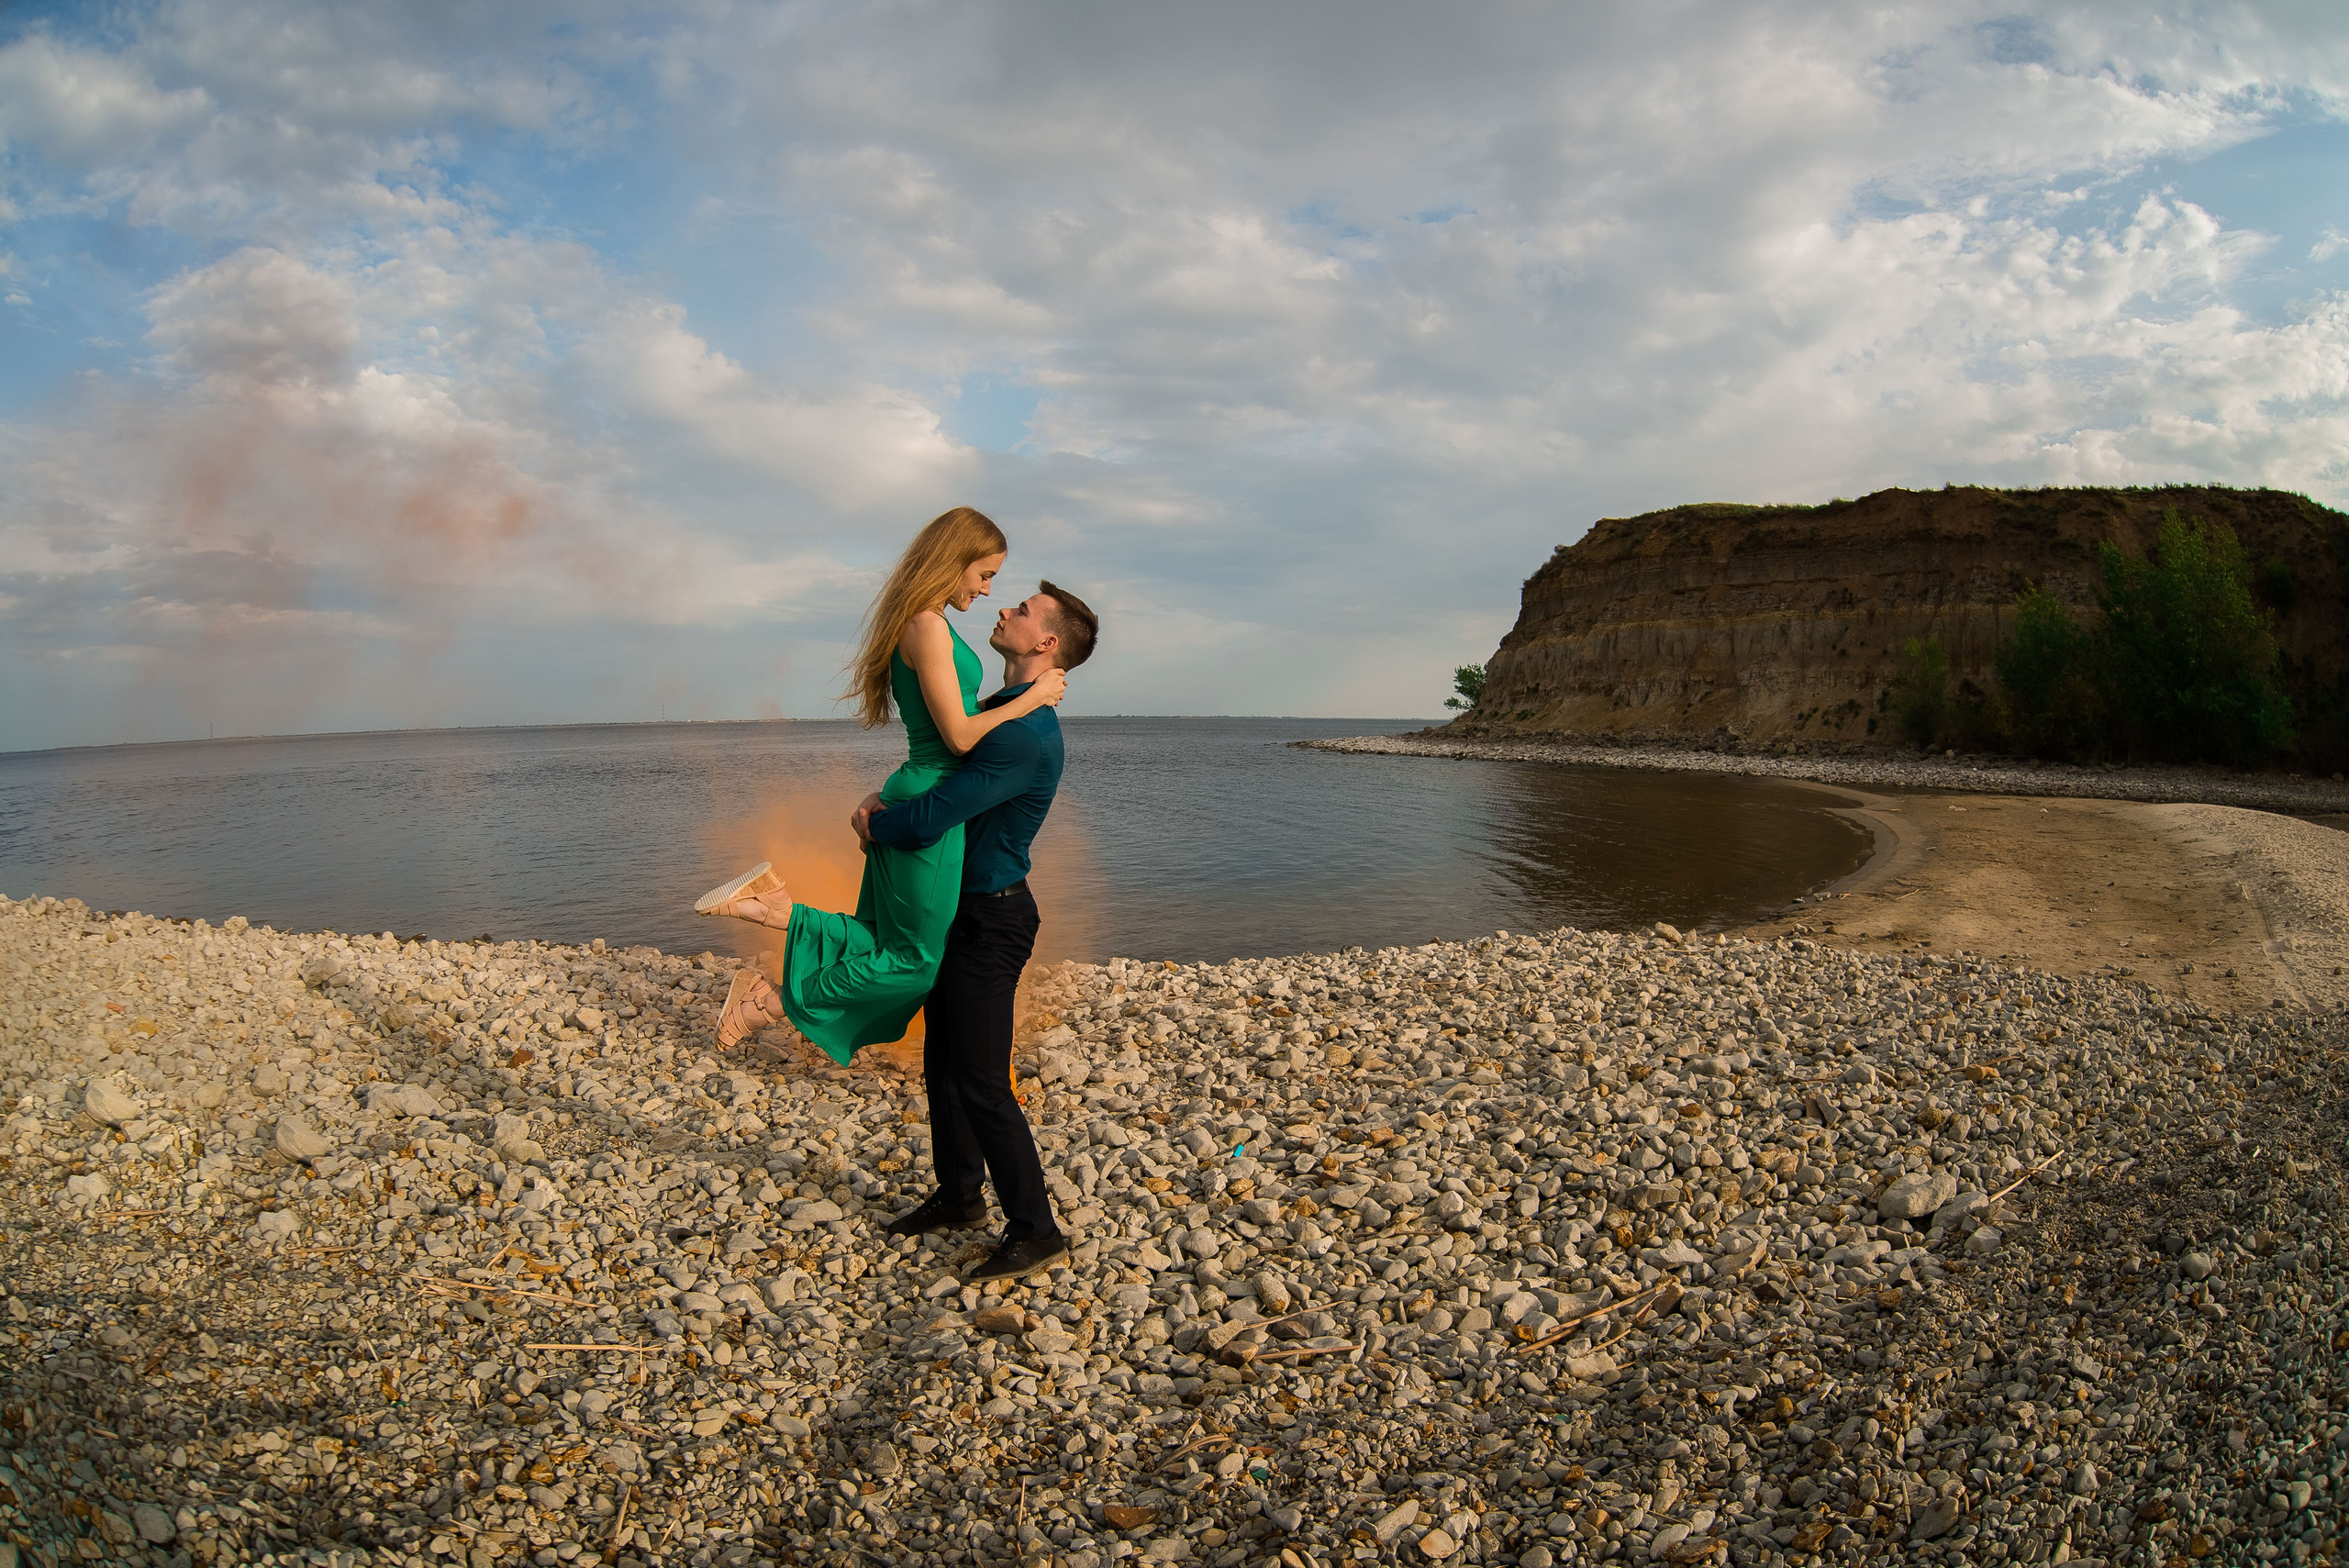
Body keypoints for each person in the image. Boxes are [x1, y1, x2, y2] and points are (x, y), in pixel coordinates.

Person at [695, 506, 1065, 1062]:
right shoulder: (928, 626)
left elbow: (954, 717)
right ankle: (768, 1003)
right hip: (933, 801)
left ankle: (772, 907)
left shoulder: (921, 624)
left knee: (879, 937)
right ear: (954, 560)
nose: (989, 591)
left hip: (914, 785)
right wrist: (1031, 700)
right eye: (984, 574)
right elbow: (962, 738)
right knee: (917, 963)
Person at [852, 580, 1098, 1284]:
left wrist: (878, 823)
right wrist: (885, 792)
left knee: (985, 1081)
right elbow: (938, 759)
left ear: (1046, 644)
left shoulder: (1022, 735)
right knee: (943, 1066)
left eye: (1020, 611)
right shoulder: (1002, 712)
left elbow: (936, 813)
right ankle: (960, 1195)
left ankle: (1036, 1229)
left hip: (993, 918)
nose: (1002, 609)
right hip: (963, 910)